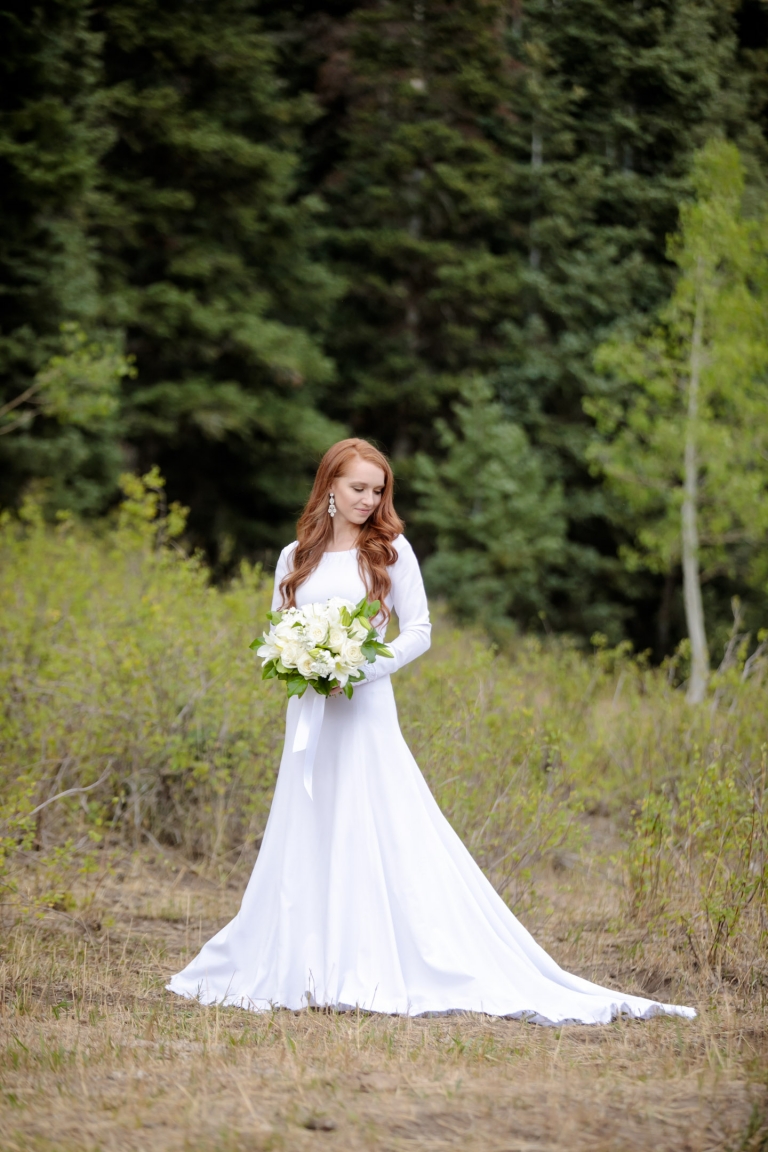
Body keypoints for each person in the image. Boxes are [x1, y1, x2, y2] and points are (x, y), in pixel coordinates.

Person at [167, 438, 695, 1024]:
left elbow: (419, 629)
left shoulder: (391, 552)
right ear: (329, 488)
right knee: (308, 821)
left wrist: (361, 666)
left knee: (375, 820)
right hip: (310, 716)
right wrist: (303, 664)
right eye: (357, 488)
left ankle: (369, 961)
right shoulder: (293, 556)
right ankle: (301, 961)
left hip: (365, 708)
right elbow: (277, 632)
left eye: (377, 490)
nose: (369, 500)